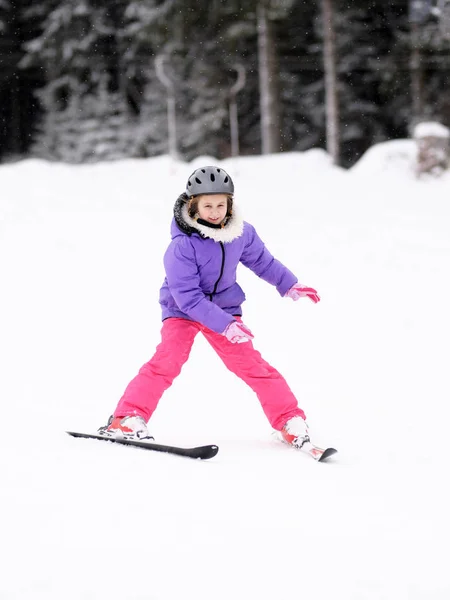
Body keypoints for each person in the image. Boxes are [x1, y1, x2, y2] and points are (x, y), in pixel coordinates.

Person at [98, 165, 320, 450]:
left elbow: (262, 262)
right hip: (182, 310)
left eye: (221, 204)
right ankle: (126, 418)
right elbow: (188, 297)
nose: (214, 211)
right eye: (207, 205)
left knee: (252, 366)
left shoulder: (241, 233)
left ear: (230, 204)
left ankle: (288, 420)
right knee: (167, 360)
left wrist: (289, 284)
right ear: (193, 206)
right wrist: (225, 324)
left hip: (225, 308)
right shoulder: (182, 247)